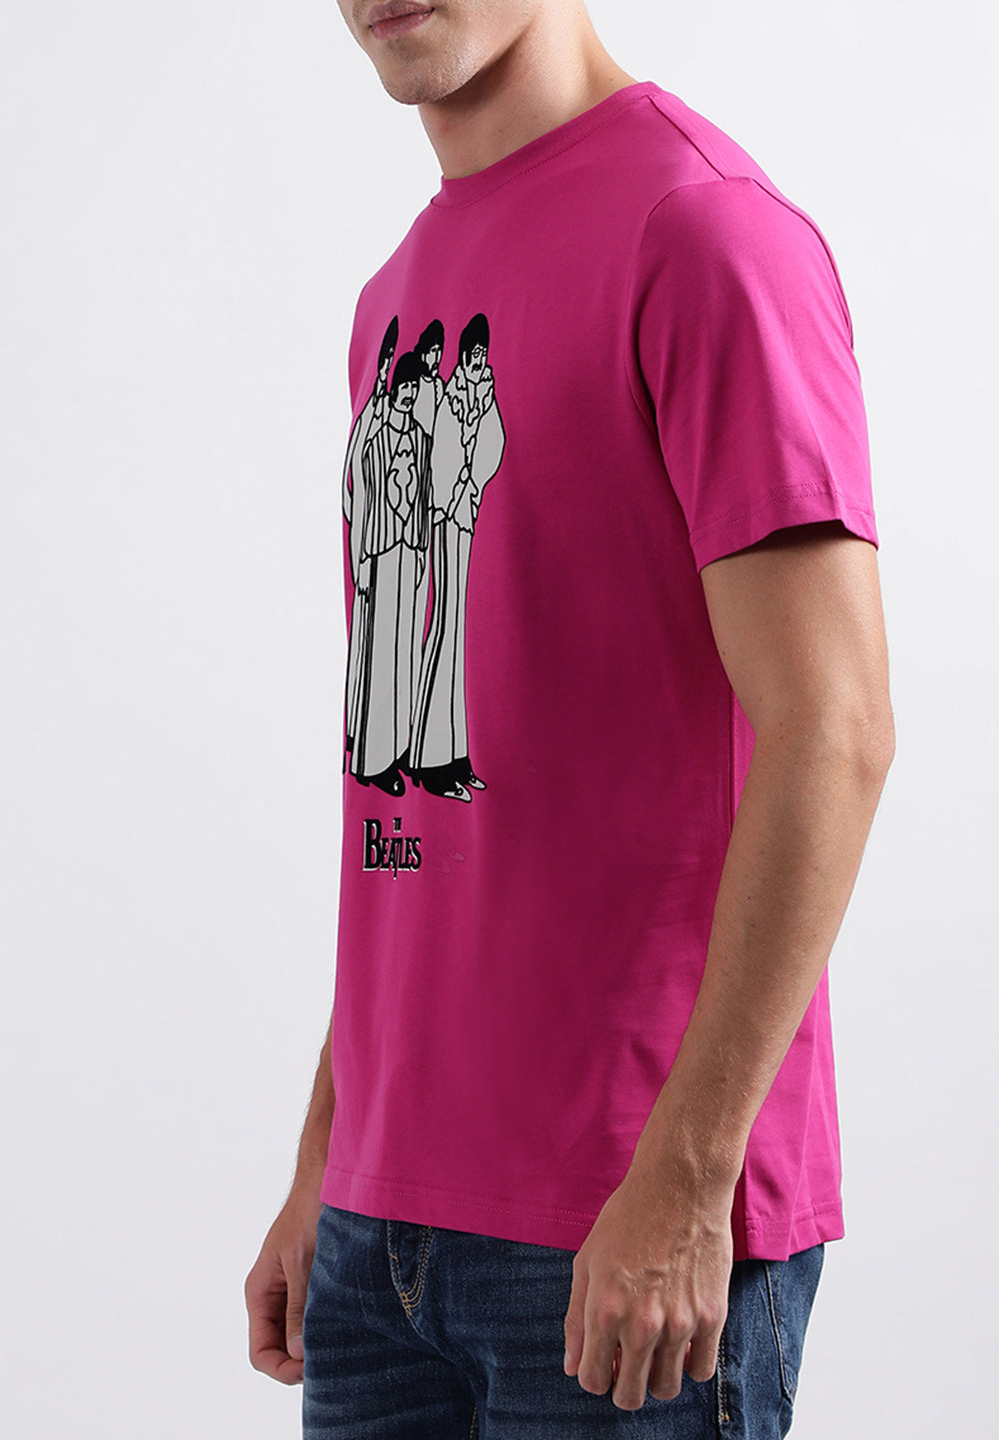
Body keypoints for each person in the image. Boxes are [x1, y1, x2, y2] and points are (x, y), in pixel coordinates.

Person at [245, 2, 894, 1435]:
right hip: (381, 1236)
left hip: (621, 1220)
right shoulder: (394, 298)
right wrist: (329, 1156)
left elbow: (835, 733)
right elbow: (412, 785)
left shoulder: (704, 237)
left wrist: (688, 1174)